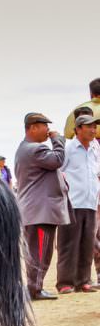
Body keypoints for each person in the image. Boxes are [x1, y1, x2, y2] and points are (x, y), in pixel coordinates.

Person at [14, 112, 69, 300]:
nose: (48, 130)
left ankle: (35, 287)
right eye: (45, 126)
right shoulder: (34, 149)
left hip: (38, 211)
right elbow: (57, 160)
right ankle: (34, 289)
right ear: (33, 127)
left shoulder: (27, 148)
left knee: (41, 252)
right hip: (39, 211)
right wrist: (58, 141)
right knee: (40, 253)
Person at [55, 114, 100, 293]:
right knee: (68, 243)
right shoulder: (69, 147)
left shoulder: (95, 148)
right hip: (72, 202)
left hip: (90, 202)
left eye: (94, 126)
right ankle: (65, 282)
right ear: (78, 129)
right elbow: (58, 171)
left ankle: (83, 281)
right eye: (89, 126)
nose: (93, 129)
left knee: (87, 243)